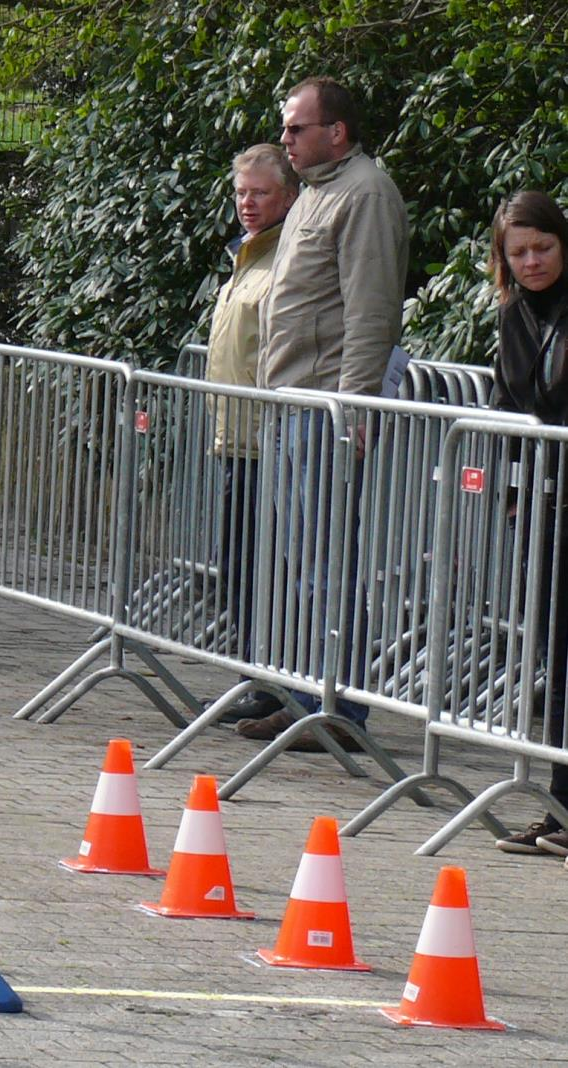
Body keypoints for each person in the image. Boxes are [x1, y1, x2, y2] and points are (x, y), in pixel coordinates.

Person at [243, 75, 408, 750]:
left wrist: (353, 405)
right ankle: (308, 694)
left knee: (327, 561)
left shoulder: (364, 193)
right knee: (302, 560)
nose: (286, 140)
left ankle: (339, 708)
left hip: (326, 409)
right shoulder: (317, 193)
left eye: (296, 128)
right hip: (295, 403)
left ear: (335, 132)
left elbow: (370, 310)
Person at [484, 190, 568, 858]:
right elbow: (506, 404)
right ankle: (557, 805)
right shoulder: (515, 314)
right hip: (541, 506)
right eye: (520, 252)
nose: (533, 260)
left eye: (543, 246)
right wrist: (510, 493)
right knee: (553, 659)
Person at [202, 144, 297, 721]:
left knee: (266, 566)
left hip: (270, 440)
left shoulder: (287, 257)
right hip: (235, 437)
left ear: (287, 195)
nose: (248, 203)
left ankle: (269, 681)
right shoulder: (246, 257)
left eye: (260, 192)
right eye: (241, 192)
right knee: (237, 562)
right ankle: (250, 675)